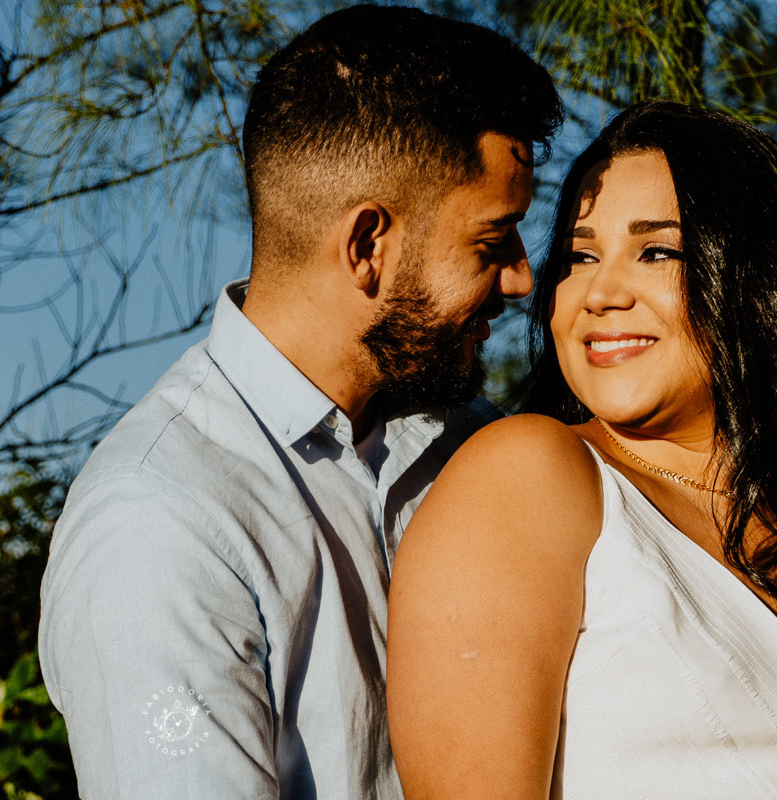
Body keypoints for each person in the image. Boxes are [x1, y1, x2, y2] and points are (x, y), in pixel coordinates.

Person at [39, 5, 561, 798]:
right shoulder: (159, 522)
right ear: (367, 247)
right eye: (492, 244)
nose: (522, 280)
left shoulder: (479, 447)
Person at [387, 101, 777, 799]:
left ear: (750, 275)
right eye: (579, 255)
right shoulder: (528, 475)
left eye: (656, 251)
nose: (599, 293)